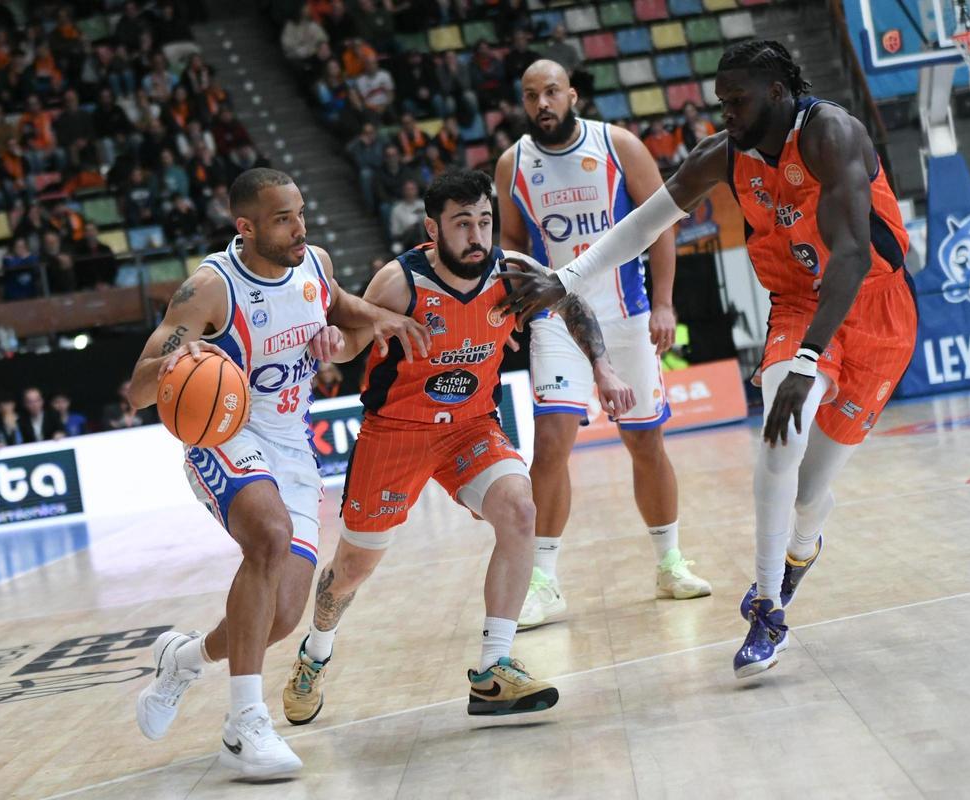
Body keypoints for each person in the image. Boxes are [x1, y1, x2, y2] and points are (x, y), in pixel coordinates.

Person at [495, 41, 918, 679]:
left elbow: (854, 256)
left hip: (876, 311)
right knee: (779, 443)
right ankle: (766, 608)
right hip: (800, 306)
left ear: (777, 91)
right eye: (721, 102)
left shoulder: (832, 134)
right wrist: (569, 278)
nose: (725, 113)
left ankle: (803, 546)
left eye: (737, 100)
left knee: (810, 491)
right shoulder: (724, 154)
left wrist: (808, 364)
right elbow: (643, 222)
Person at [278, 170, 628, 728]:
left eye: (484, 221)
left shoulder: (511, 273)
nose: (476, 235)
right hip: (395, 433)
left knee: (519, 510)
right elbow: (351, 342)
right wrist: (328, 342)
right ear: (432, 228)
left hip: (471, 427)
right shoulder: (398, 282)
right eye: (462, 223)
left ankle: (494, 669)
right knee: (351, 568)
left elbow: (573, 304)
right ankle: (315, 652)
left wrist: (604, 369)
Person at [127, 168, 428, 778]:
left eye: (300, 212)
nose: (300, 227)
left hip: (292, 445)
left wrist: (371, 327)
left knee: (284, 616)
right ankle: (245, 725)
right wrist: (178, 360)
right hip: (225, 433)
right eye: (283, 218)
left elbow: (342, 317)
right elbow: (135, 390)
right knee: (266, 536)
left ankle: (185, 659)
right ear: (246, 227)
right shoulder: (209, 288)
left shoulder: (313, 263)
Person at [495, 60, 711, 628]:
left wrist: (663, 303)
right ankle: (544, 580)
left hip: (626, 314)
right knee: (551, 444)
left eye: (550, 92)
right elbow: (512, 245)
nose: (541, 103)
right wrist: (521, 300)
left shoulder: (618, 145)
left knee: (645, 442)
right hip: (557, 318)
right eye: (529, 95)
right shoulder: (512, 164)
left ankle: (669, 564)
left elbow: (663, 222)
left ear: (571, 94)